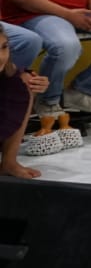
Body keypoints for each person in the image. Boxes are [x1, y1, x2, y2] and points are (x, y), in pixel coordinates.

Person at [0, 28, 50, 178]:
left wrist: (39, 83)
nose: (1, 57)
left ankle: (9, 162)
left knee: (26, 81)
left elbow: (19, 74)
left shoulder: (8, 67)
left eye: (4, 47)